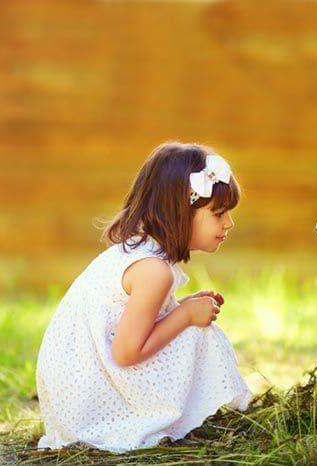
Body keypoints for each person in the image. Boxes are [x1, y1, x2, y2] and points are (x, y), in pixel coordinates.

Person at [35, 141, 252, 452]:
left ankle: (192, 414)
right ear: (180, 212)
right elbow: (126, 352)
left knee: (191, 327)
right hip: (87, 403)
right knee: (197, 334)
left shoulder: (141, 252)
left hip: (74, 394)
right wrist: (185, 316)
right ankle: (179, 418)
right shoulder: (153, 271)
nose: (229, 223)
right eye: (218, 213)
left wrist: (184, 307)